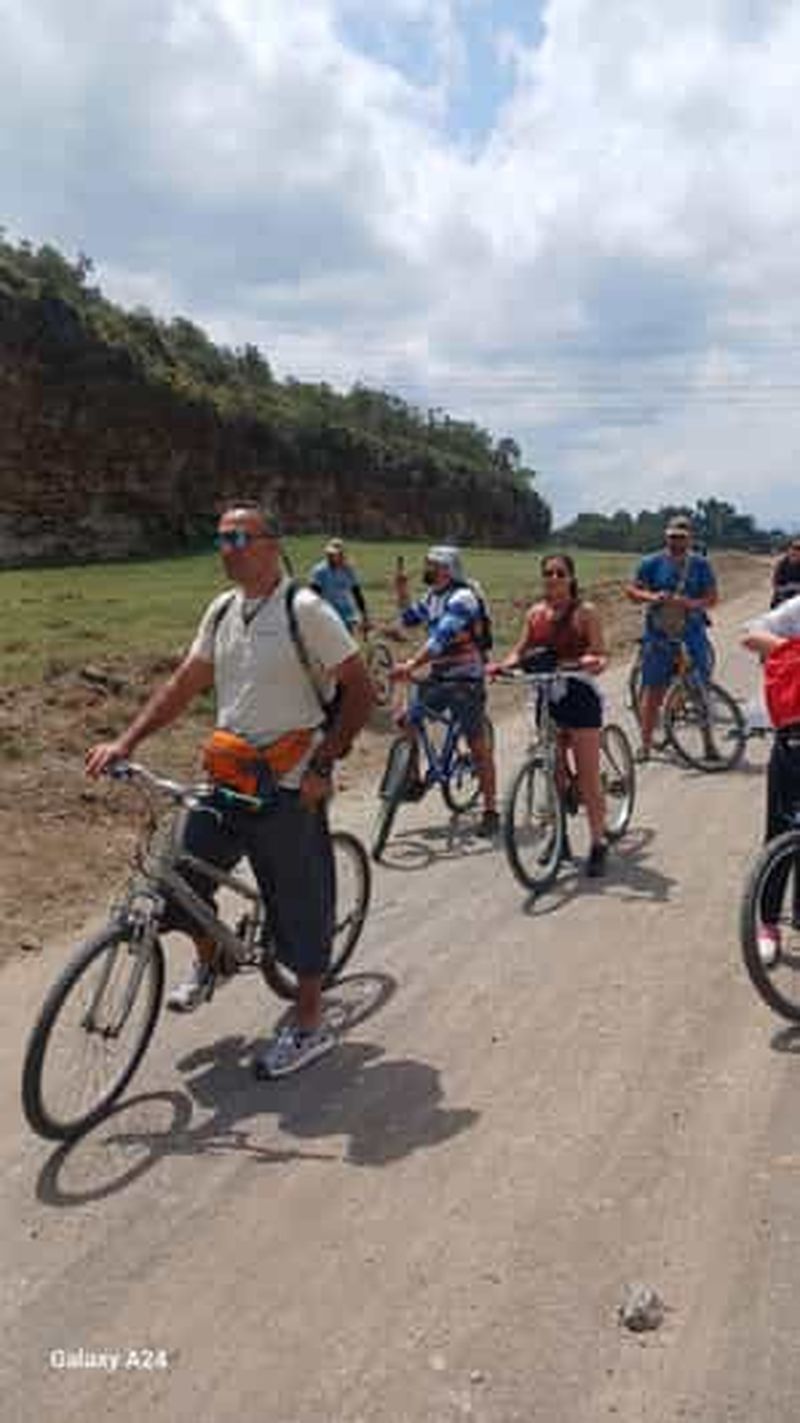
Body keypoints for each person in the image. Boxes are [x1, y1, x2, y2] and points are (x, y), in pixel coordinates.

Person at [85, 501, 373, 1079]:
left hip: (290, 783)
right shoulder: (222, 610)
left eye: (239, 537)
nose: (227, 547)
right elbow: (184, 682)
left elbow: (360, 689)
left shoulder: (306, 609)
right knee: (181, 880)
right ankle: (212, 956)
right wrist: (128, 741)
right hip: (228, 774)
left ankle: (309, 1019)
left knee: (299, 898)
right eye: (220, 537)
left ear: (270, 544)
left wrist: (323, 766)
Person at [488, 552, 610, 876]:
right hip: (547, 696)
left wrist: (592, 662)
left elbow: (600, 653)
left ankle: (599, 842)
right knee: (553, 773)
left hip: (579, 694)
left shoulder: (586, 613)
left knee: (587, 777)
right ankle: (560, 838)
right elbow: (521, 649)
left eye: (559, 573)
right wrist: (504, 664)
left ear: (571, 577)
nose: (553, 578)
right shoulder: (536, 614)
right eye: (548, 573)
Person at [390, 545, 499, 837]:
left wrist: (412, 664)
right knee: (407, 720)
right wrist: (402, 591)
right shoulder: (431, 597)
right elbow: (409, 619)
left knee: (477, 745)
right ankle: (412, 779)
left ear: (447, 569)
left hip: (466, 677)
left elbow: (441, 637)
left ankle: (491, 810)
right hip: (439, 674)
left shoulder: (463, 597)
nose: (426, 569)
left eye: (432, 565)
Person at [625, 514, 718, 761]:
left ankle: (708, 743)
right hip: (658, 636)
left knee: (699, 690)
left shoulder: (701, 565)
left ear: (690, 539)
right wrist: (652, 597)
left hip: (692, 634)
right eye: (673, 536)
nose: (676, 541)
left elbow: (712, 598)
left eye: (681, 537)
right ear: (666, 536)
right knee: (653, 690)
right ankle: (645, 745)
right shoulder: (651, 562)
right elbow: (632, 591)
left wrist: (689, 603)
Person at [742, 593, 800, 966]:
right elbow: (750, 634)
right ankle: (768, 924)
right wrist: (793, 650)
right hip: (795, 733)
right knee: (780, 831)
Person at [308, 538, 370, 635]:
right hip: (327, 614)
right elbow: (313, 595)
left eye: (334, 554)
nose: (330, 556)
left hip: (346, 614)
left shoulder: (348, 570)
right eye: (329, 554)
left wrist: (364, 613)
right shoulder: (320, 571)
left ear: (342, 554)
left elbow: (356, 592)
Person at [770, 537, 800, 608]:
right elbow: (775, 585)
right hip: (781, 600)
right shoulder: (782, 564)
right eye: (794, 548)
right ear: (789, 549)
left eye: (799, 549)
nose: (796, 551)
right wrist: (791, 587)